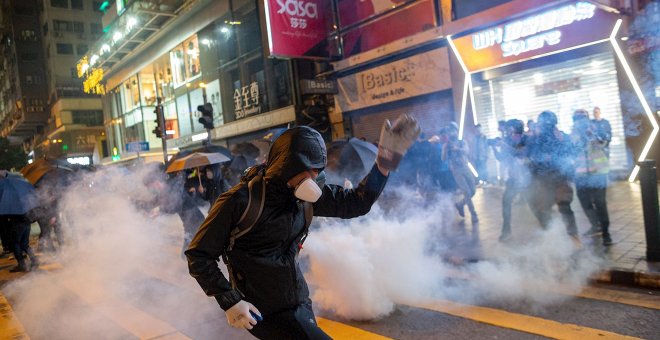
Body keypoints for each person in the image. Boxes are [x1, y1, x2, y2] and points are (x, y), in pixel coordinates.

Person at [185, 116, 420, 339]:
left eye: (318, 170)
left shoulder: (305, 197)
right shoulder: (239, 201)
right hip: (263, 310)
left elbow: (356, 203)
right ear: (287, 166)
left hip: (299, 300)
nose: (314, 177)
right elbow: (198, 255)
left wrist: (383, 165)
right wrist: (230, 300)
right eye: (309, 169)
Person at [525, 111, 579, 239]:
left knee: (564, 206)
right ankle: (551, 235)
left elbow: (572, 152)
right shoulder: (536, 138)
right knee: (542, 207)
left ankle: (574, 238)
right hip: (542, 179)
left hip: (559, 176)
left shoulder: (561, 137)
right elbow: (530, 155)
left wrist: (562, 141)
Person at [572, 110, 612, 246]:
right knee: (585, 202)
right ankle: (595, 225)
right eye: (576, 119)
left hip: (598, 173)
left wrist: (592, 134)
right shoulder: (573, 133)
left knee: (600, 203)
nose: (579, 122)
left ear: (587, 119)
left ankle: (606, 234)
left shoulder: (596, 128)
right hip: (581, 175)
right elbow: (571, 150)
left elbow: (604, 142)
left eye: (582, 119)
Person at [493, 119, 530, 241]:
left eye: (510, 128)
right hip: (514, 179)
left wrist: (506, 146)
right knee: (506, 203)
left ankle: (549, 230)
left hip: (528, 178)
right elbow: (501, 158)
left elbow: (521, 153)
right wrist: (494, 148)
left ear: (516, 128)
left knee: (536, 206)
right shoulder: (508, 140)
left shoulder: (526, 139)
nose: (507, 131)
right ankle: (506, 231)